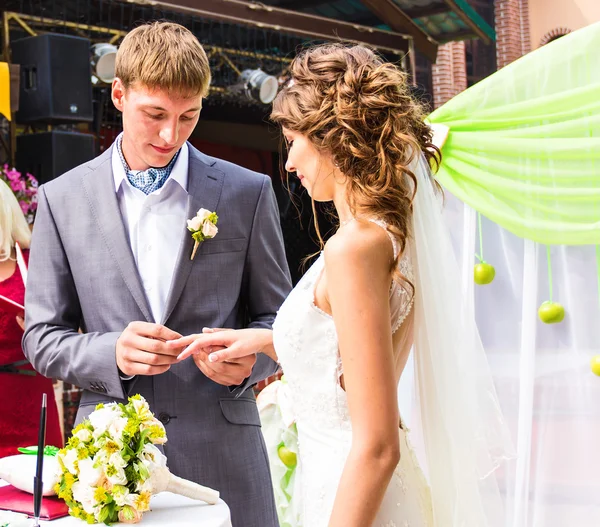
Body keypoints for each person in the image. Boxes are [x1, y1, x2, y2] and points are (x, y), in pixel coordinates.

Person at [171, 44, 514, 526]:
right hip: (358, 488)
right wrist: (271, 340)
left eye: (293, 141)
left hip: (353, 494)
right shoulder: (388, 235)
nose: (288, 162)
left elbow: (376, 446)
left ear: (332, 137)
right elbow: (353, 363)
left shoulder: (352, 249)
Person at [23, 22, 291, 526]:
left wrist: (251, 363)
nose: (171, 135)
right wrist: (111, 353)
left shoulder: (246, 192)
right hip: (109, 471)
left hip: (225, 460)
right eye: (155, 115)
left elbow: (280, 319)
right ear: (119, 94)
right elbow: (41, 337)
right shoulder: (62, 200)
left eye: (189, 117)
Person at [0, 179, 62, 457]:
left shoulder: (34, 260)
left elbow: (70, 325)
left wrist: (43, 326)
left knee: (35, 489)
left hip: (28, 397)